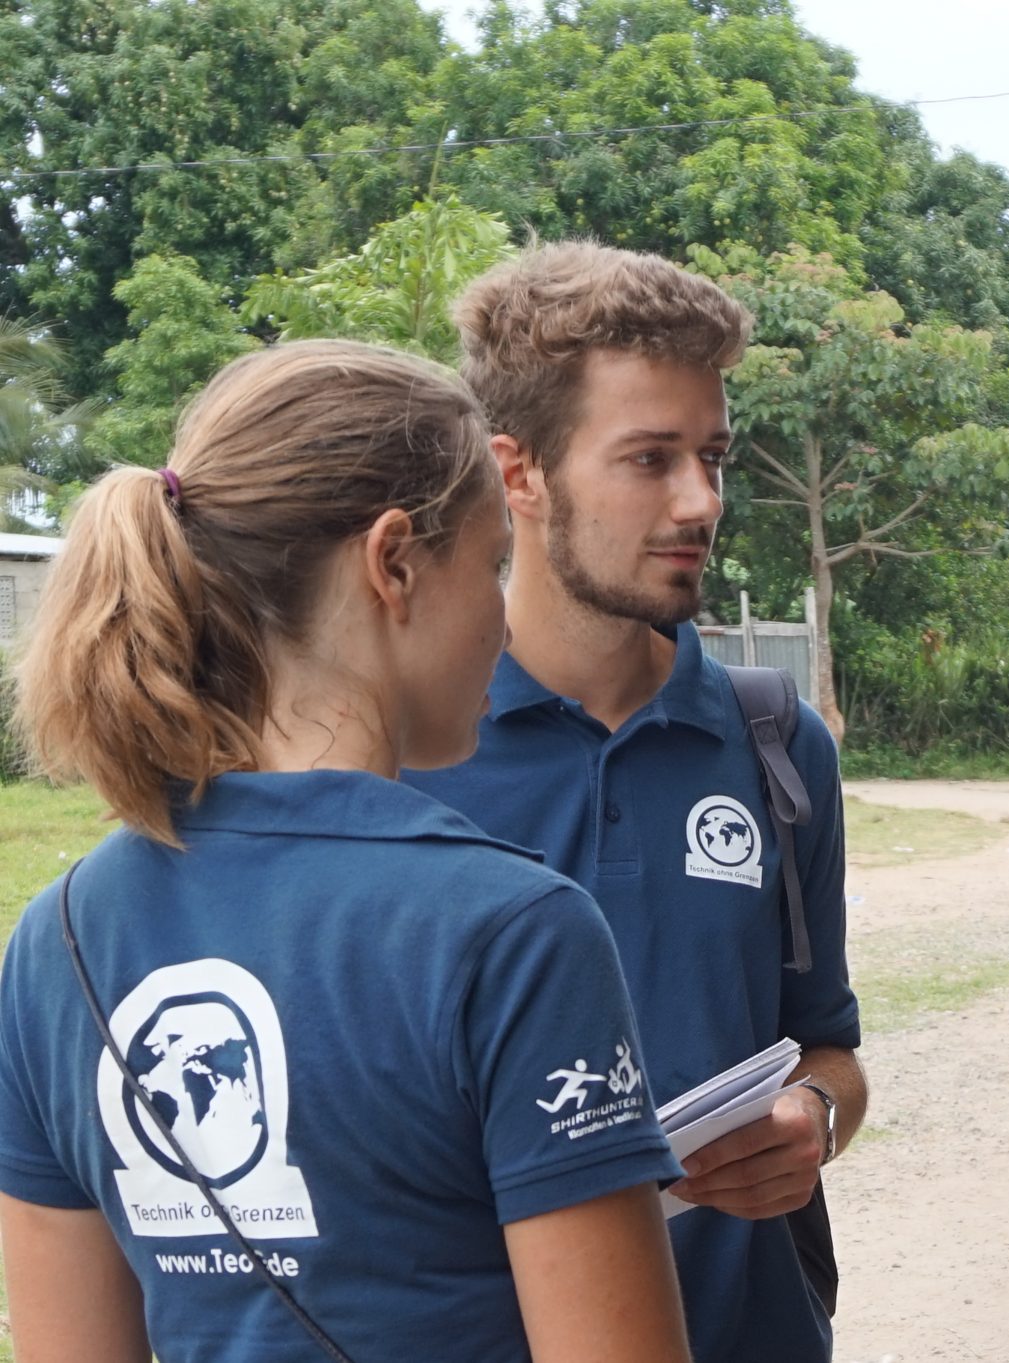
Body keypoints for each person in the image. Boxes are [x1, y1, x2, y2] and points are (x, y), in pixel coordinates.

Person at [0, 341, 692, 1363]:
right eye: (493, 564)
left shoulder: (55, 938)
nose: (505, 626)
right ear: (394, 562)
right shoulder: (513, 932)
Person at [405, 241, 866, 1363]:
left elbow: (830, 1049)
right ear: (518, 474)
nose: (700, 500)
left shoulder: (776, 743)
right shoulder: (404, 753)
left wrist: (810, 1118)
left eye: (712, 455)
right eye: (651, 458)